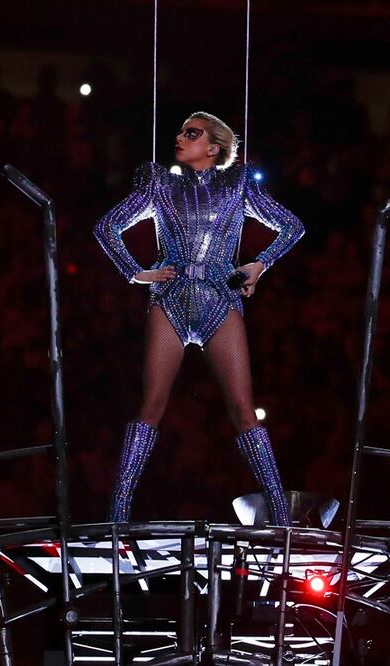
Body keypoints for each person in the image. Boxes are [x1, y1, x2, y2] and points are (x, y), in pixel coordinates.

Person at [94, 111, 304, 525]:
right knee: (151, 406)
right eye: (180, 131)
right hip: (170, 300)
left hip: (219, 302)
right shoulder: (160, 184)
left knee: (244, 410)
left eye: (192, 133)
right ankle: (117, 517)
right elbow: (106, 228)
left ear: (214, 147)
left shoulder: (237, 184)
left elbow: (292, 227)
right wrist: (136, 272)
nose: (180, 137)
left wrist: (259, 264)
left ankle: (281, 518)